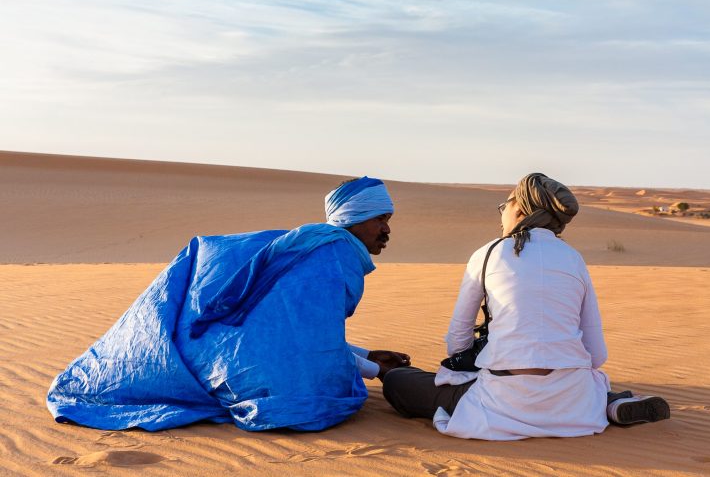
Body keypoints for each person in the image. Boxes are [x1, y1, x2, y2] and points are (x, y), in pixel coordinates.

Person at [47, 176, 410, 432]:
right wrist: (378, 372)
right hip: (230, 365)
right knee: (313, 404)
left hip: (220, 354)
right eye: (381, 218)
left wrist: (367, 355)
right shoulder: (331, 255)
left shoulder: (308, 245)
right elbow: (307, 346)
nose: (387, 230)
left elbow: (287, 332)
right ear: (354, 218)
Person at [382, 173, 669, 440]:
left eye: (503, 206)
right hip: (572, 397)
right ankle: (609, 404)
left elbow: (458, 342)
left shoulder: (489, 253)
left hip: (503, 400)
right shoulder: (574, 259)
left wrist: (474, 361)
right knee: (588, 384)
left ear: (519, 209)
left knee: (398, 381)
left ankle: (597, 403)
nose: (502, 214)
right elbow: (596, 355)